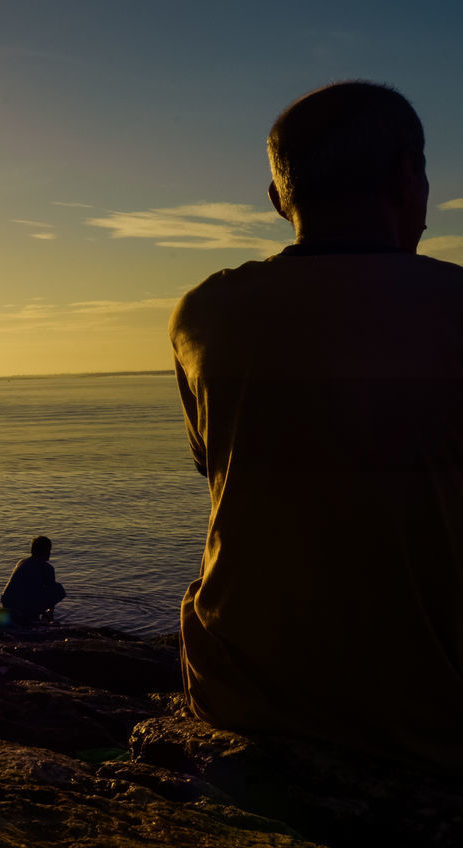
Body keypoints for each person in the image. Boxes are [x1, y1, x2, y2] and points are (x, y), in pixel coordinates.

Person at [170, 81, 463, 773]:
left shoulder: (203, 314)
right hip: (435, 710)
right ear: (407, 178)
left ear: (279, 200)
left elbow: (215, 467)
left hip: (245, 691)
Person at [0, 535, 65, 624]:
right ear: (43, 551)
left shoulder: (22, 562)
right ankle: (46, 617)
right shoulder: (47, 568)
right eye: (49, 550)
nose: (50, 553)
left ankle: (34, 612)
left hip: (7, 601)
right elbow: (51, 592)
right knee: (58, 589)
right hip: (21, 607)